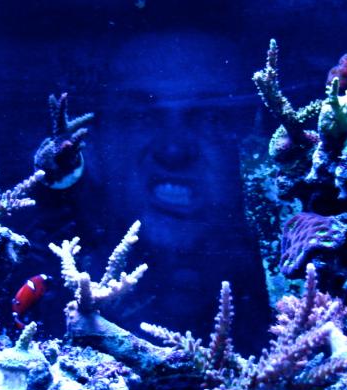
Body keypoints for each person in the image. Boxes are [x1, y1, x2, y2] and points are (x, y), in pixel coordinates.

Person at [31, 31, 270, 346]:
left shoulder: (301, 282)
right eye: (141, 116)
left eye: (212, 117)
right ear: (94, 142)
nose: (173, 150)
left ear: (258, 141)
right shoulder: (28, 274)